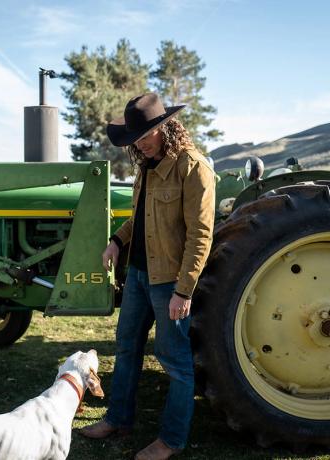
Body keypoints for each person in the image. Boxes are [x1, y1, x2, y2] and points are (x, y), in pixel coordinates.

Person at [79, 93, 215, 459]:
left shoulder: (192, 167)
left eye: (147, 133)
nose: (139, 141)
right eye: (135, 137)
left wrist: (183, 292)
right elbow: (140, 219)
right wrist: (116, 241)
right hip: (139, 274)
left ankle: (170, 440)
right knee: (126, 348)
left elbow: (201, 236)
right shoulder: (147, 166)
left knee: (175, 361)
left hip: (169, 281)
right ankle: (118, 419)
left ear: (166, 127)